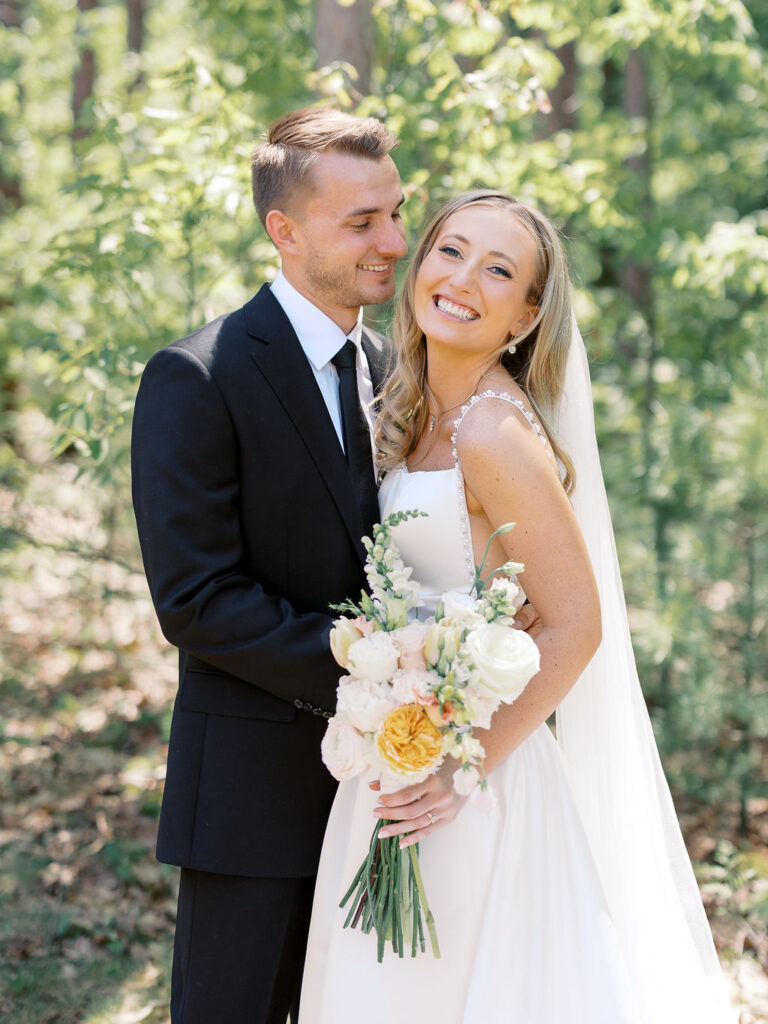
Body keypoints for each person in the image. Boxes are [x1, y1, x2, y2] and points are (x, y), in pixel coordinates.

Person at [299, 192, 736, 1023]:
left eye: (497, 270)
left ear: (527, 315)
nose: (462, 279)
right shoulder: (412, 407)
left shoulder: (496, 433)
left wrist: (465, 770)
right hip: (398, 754)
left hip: (471, 783)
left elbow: (578, 622)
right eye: (450, 251)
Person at [130, 107, 409, 1024]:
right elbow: (196, 598)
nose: (394, 241)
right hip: (250, 797)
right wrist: (363, 659)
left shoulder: (395, 370)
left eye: (396, 213)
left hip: (387, 797)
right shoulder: (198, 375)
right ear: (283, 232)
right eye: (362, 222)